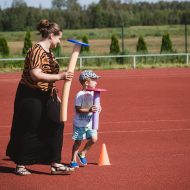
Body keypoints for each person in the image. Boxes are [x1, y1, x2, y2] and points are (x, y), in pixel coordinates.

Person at [6, 19, 75, 175]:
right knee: (29, 127)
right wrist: (60, 76)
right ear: (51, 35)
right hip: (30, 94)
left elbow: (49, 75)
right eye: (58, 37)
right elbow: (36, 75)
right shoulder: (36, 50)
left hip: (47, 94)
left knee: (57, 122)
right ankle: (21, 164)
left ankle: (55, 163)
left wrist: (55, 92)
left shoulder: (50, 53)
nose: (59, 41)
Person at [70, 70, 101, 168]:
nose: (96, 82)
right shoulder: (80, 94)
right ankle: (73, 160)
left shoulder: (94, 94)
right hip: (80, 123)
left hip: (90, 123)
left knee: (94, 139)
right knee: (78, 142)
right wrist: (89, 109)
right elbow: (78, 109)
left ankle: (82, 153)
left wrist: (99, 108)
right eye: (94, 80)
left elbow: (97, 105)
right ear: (87, 82)